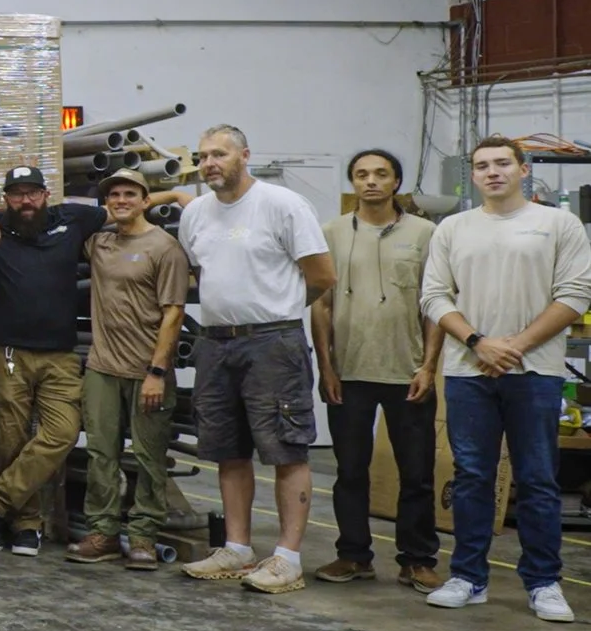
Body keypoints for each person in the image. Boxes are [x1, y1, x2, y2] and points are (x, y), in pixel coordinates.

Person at [420, 135, 591, 623]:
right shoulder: (453, 228)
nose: (492, 172)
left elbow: (575, 293)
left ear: (523, 169)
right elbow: (434, 296)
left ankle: (543, 582)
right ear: (472, 175)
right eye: (482, 166)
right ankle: (468, 578)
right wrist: (479, 342)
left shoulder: (557, 224)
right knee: (472, 476)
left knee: (537, 478)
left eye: (502, 163)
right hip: (468, 371)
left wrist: (514, 345)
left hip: (534, 372)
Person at [168, 125, 335, 595]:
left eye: (219, 154)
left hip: (272, 343)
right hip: (216, 342)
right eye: (203, 156)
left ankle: (287, 558)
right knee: (228, 447)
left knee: (286, 447)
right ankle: (237, 548)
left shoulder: (282, 205)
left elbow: (322, 275)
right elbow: (204, 273)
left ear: (244, 155)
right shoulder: (195, 214)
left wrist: (278, 309)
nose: (209, 163)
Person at [310, 149, 445, 589]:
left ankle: (417, 559)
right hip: (349, 373)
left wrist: (428, 367)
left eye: (381, 174)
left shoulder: (425, 233)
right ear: (352, 182)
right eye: (362, 174)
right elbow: (321, 305)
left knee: (417, 474)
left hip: (408, 373)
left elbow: (434, 305)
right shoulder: (330, 233)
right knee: (350, 471)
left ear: (395, 182)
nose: (371, 181)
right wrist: (326, 367)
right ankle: (353, 555)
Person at [0, 167, 108, 558]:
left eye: (32, 193)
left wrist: (175, 197)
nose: (25, 201)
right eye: (16, 194)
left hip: (61, 355)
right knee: (10, 438)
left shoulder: (72, 219)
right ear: (5, 198)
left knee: (63, 432)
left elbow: (123, 209)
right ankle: (26, 525)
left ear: (46, 195)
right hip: (7, 352)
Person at [66, 169, 190, 569]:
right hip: (102, 367)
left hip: (147, 371)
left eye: (130, 194)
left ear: (144, 200)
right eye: (114, 195)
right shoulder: (99, 243)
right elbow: (69, 219)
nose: (121, 200)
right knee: (101, 453)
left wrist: (157, 372)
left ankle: (143, 538)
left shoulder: (164, 247)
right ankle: (102, 532)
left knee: (149, 456)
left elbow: (174, 313)